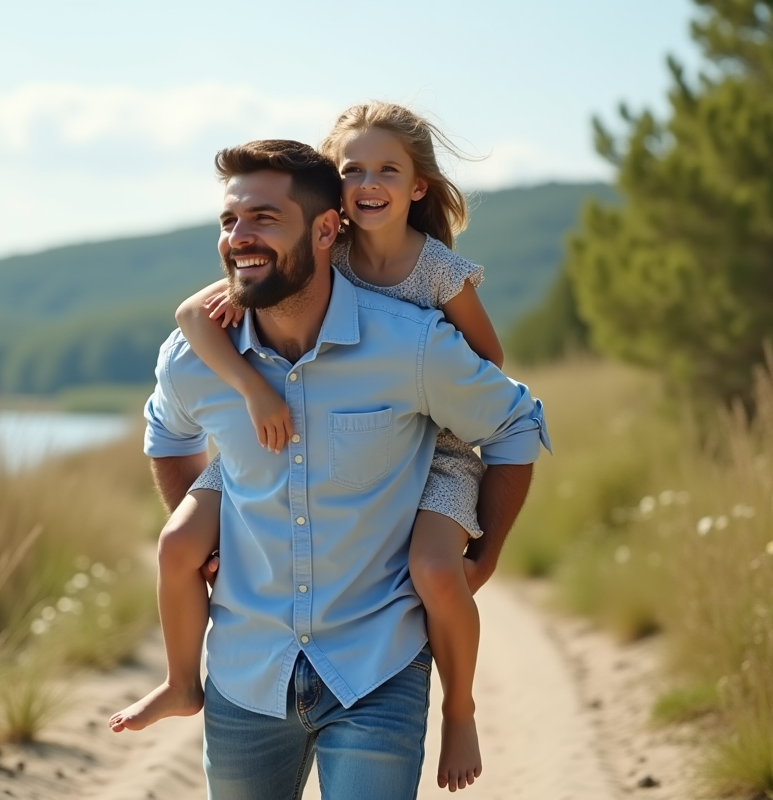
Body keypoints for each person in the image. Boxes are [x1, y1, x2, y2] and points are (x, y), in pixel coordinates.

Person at [115, 137, 548, 799]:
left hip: (378, 667)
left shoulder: (410, 344)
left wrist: (485, 556)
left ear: (325, 231)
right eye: (230, 220)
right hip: (244, 676)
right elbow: (168, 435)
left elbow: (515, 423)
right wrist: (210, 543)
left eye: (264, 218)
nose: (239, 236)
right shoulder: (195, 355)